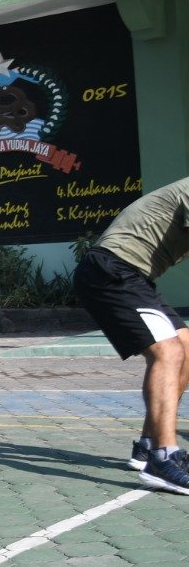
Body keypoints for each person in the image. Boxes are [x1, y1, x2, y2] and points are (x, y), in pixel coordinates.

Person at [73, 176, 189, 493]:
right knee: (168, 352)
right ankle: (163, 458)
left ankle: (148, 445)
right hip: (110, 271)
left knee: (186, 346)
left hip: (133, 276)